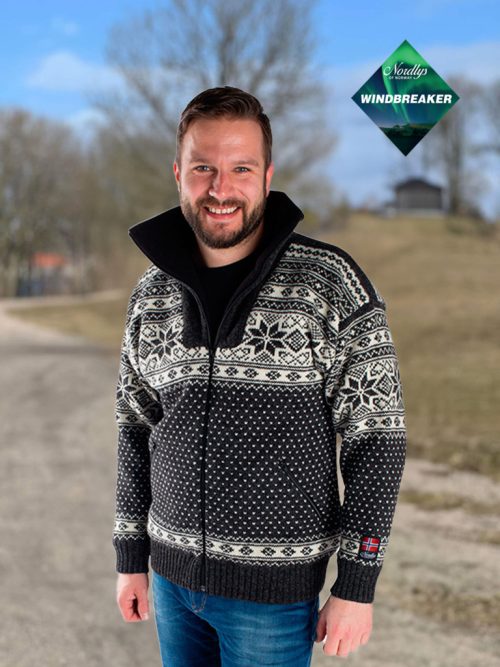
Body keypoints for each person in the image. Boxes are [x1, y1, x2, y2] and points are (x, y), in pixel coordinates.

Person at [113, 85, 407, 665]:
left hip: (271, 604)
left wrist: (356, 585)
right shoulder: (151, 296)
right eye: (204, 168)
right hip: (171, 588)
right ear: (179, 173)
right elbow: (133, 428)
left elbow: (378, 440)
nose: (221, 189)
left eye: (240, 168)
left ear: (267, 175)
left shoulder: (330, 284)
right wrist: (130, 558)